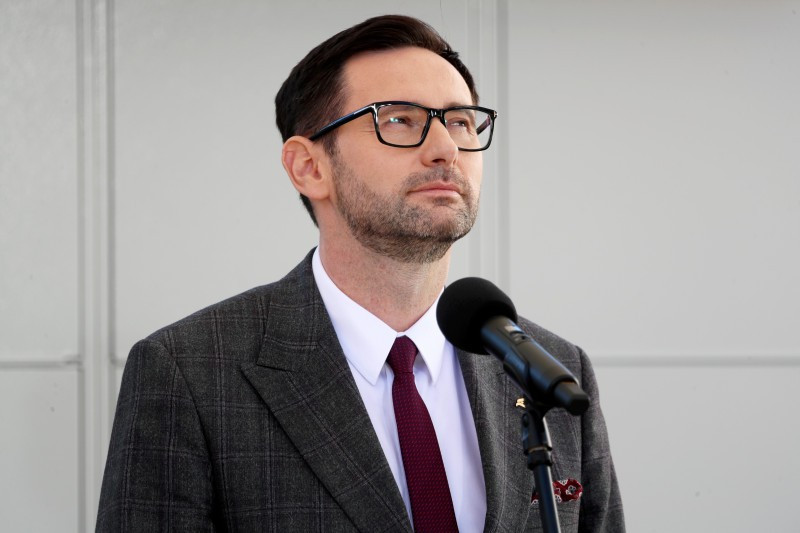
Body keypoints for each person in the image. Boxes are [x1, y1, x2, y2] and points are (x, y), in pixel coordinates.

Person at [96, 14, 624, 533]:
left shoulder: (551, 371)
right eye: (399, 120)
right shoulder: (188, 373)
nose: (446, 148)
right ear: (309, 167)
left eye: (461, 122)